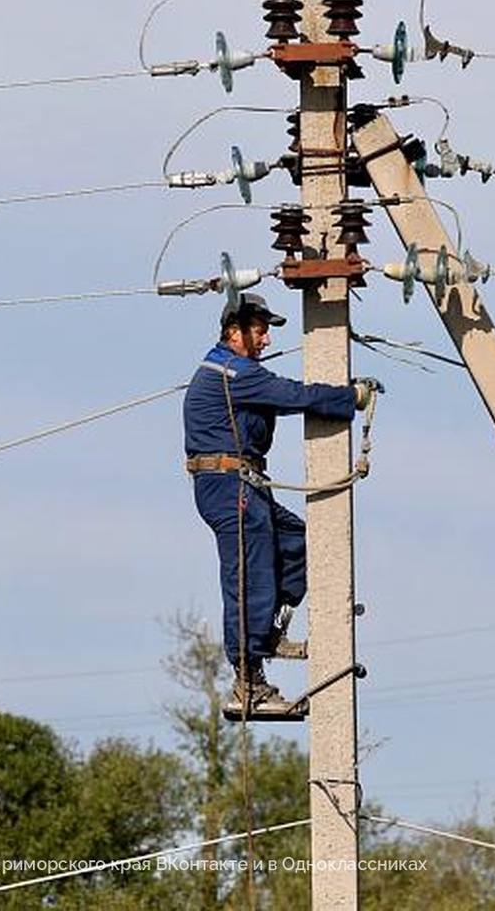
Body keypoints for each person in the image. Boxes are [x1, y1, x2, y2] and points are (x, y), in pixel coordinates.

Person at [183, 294, 380, 714]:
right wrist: (351, 397)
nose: (268, 340)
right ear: (234, 333)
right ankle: (248, 678)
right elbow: (292, 395)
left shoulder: (234, 371)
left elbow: (285, 396)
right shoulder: (231, 372)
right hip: (228, 484)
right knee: (248, 573)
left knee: (296, 540)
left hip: (242, 483)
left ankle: (265, 631)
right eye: (260, 330)